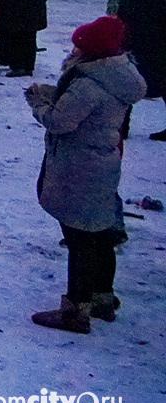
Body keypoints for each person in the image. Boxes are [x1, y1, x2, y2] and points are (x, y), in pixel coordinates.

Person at [26, 16, 145, 332]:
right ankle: (102, 297)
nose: (73, 49)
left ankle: (75, 310)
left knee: (79, 236)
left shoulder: (90, 83)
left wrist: (39, 104)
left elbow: (61, 121)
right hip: (102, 160)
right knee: (99, 231)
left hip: (79, 163)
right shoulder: (116, 76)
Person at [115, 0, 166, 139]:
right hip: (132, 45)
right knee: (127, 85)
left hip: (159, 46)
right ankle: (122, 127)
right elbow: (121, 17)